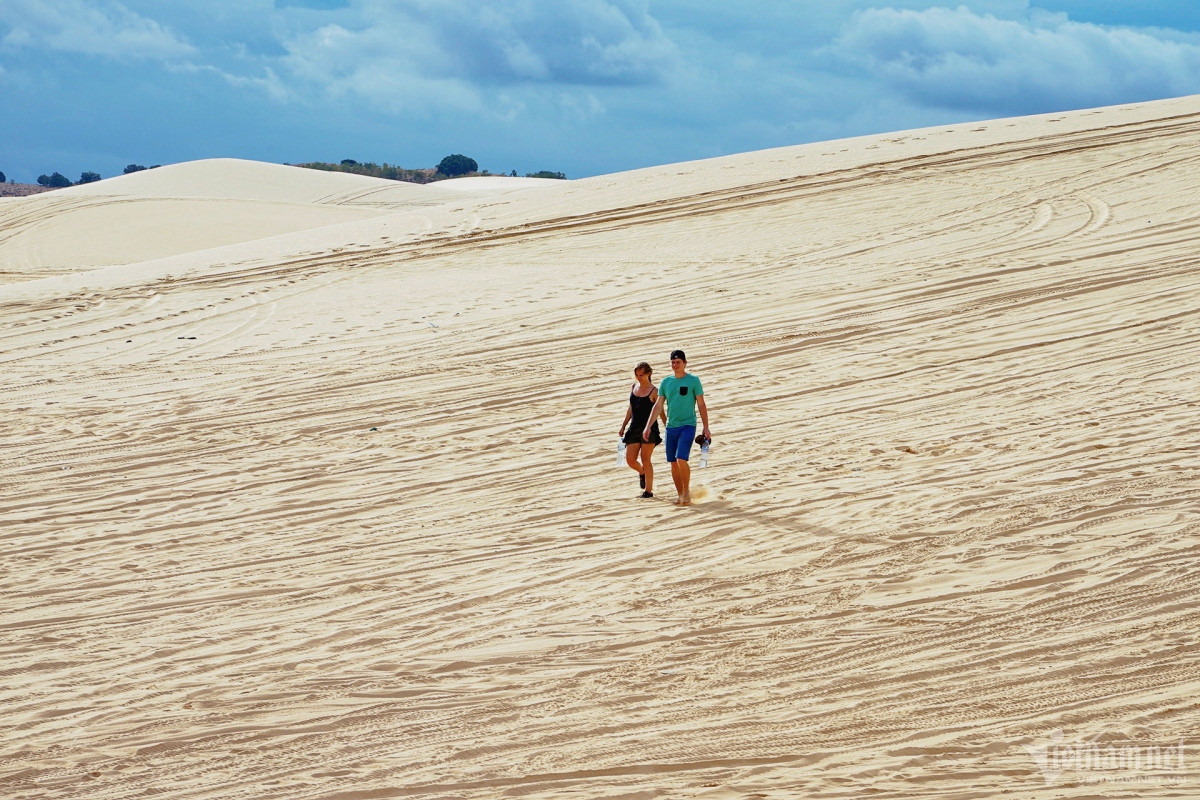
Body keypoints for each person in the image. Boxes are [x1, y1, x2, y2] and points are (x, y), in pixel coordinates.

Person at [644, 349, 710, 505]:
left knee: (681, 459)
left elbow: (701, 404)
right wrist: (648, 426)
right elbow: (658, 405)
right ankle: (680, 495)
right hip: (671, 427)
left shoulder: (693, 381)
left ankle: (686, 492)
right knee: (673, 462)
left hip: (688, 425)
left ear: (685, 363)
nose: (675, 365)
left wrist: (706, 427)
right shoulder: (666, 382)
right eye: (673, 362)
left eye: (678, 362)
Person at [619, 362, 666, 498]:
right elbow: (631, 408)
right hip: (634, 428)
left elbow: (660, 410)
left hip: (649, 429)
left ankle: (648, 491)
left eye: (641, 375)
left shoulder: (654, 391)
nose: (639, 377)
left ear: (648, 374)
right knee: (630, 460)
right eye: (637, 375)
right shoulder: (634, 387)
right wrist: (623, 425)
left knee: (646, 459)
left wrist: (666, 426)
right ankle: (642, 472)